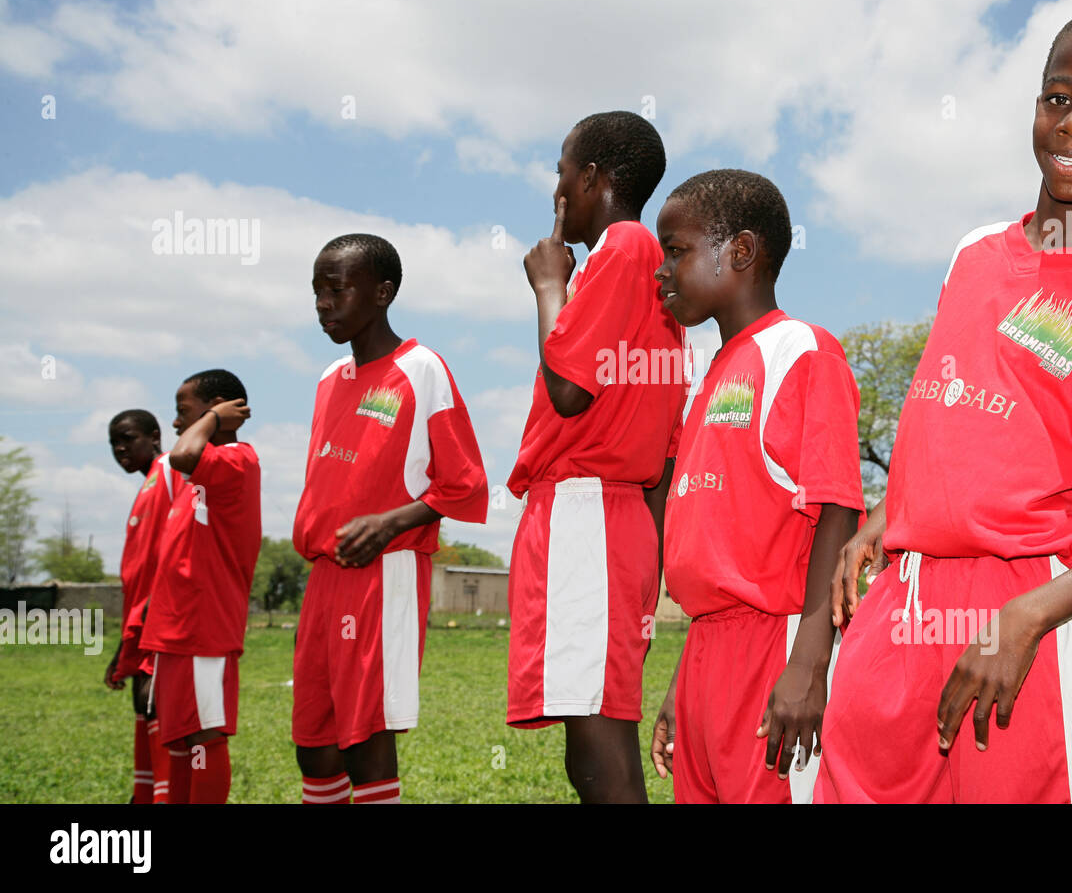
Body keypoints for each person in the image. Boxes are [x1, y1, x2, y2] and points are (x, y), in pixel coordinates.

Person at [816, 3, 1072, 803]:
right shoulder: (975, 253)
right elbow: (952, 421)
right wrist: (884, 516)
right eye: (1058, 97)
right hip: (898, 609)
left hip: (1031, 625)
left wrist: (1025, 618)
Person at [647, 170, 863, 803]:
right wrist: (681, 685)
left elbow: (839, 511)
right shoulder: (711, 372)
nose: (661, 271)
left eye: (676, 250)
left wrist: (809, 663)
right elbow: (715, 566)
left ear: (739, 251)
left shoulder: (802, 351)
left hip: (777, 646)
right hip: (709, 648)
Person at [506, 110, 686, 802]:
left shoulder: (625, 246)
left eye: (561, 172)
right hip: (612, 516)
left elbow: (570, 387)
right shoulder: (645, 265)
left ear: (590, 178)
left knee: (595, 730)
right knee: (593, 721)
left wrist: (549, 284)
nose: (556, 192)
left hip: (588, 511)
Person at [293, 233, 489, 805]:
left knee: (366, 738)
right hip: (324, 578)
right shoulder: (329, 379)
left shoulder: (422, 369)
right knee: (316, 742)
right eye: (316, 293)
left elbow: (466, 482)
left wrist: (389, 522)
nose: (324, 304)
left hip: (384, 574)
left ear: (383, 293)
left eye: (337, 290)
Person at [139, 370, 261, 805]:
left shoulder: (236, 461)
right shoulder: (197, 482)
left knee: (204, 737)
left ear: (224, 409)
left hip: (202, 629)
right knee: (180, 740)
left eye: (183, 412)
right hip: (174, 632)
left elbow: (183, 454)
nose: (176, 424)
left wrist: (211, 418)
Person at [105, 409, 176, 803]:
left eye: (128, 438)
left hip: (159, 621)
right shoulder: (147, 483)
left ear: (154, 436)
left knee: (154, 702)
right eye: (113, 442)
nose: (120, 448)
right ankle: (145, 796)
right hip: (139, 623)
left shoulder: (168, 470)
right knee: (142, 701)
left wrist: (160, 604)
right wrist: (122, 647)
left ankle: (163, 795)